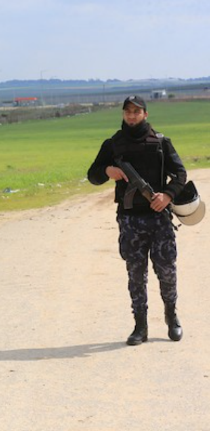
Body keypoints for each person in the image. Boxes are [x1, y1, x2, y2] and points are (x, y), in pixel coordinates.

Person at [87, 95, 186, 346]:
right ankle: (140, 326)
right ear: (123, 114)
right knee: (135, 273)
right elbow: (93, 174)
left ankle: (171, 316)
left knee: (166, 271)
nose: (132, 115)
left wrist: (167, 195)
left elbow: (180, 174)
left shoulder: (162, 142)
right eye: (127, 111)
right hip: (130, 220)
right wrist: (107, 171)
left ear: (145, 114)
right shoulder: (113, 145)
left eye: (136, 111)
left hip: (159, 218)